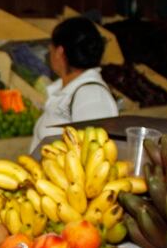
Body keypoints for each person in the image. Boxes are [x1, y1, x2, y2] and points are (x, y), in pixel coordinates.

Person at [28, 16, 119, 153]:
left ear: (59, 52)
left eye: (51, 48)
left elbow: (94, 155)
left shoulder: (92, 97)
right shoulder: (68, 89)